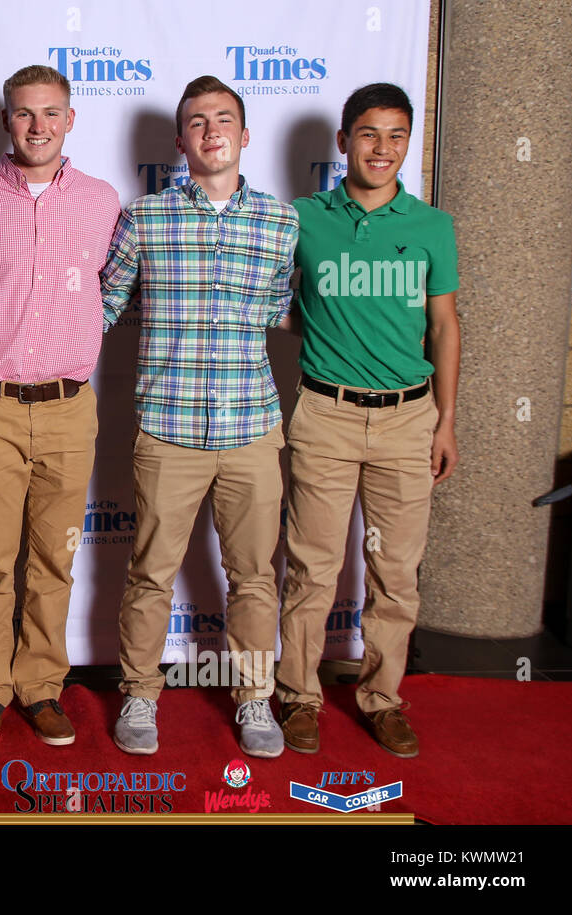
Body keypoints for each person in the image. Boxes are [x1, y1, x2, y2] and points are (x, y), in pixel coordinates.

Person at [101, 75, 298, 758]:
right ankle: (139, 693)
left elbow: (279, 312)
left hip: (251, 424)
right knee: (152, 570)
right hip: (168, 427)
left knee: (253, 575)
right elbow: (101, 307)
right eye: (196, 122)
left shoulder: (281, 222)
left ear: (244, 136)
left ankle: (254, 699)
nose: (211, 132)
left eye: (224, 120)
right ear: (181, 140)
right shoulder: (145, 216)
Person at [277, 83, 459, 759]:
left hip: (410, 419)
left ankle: (381, 698)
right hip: (325, 412)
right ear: (343, 141)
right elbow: (278, 304)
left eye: (395, 136)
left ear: (407, 144)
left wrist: (445, 422)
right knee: (312, 568)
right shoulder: (303, 219)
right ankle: (298, 695)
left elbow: (443, 325)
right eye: (369, 134)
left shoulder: (431, 226)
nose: (382, 148)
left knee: (395, 573)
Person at [0, 65, 119, 746]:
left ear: (70, 120)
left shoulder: (103, 203)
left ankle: (42, 685)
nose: (37, 126)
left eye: (50, 113)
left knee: (54, 557)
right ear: (6, 121)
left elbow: (109, 291)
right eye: (24, 113)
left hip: (71, 406)